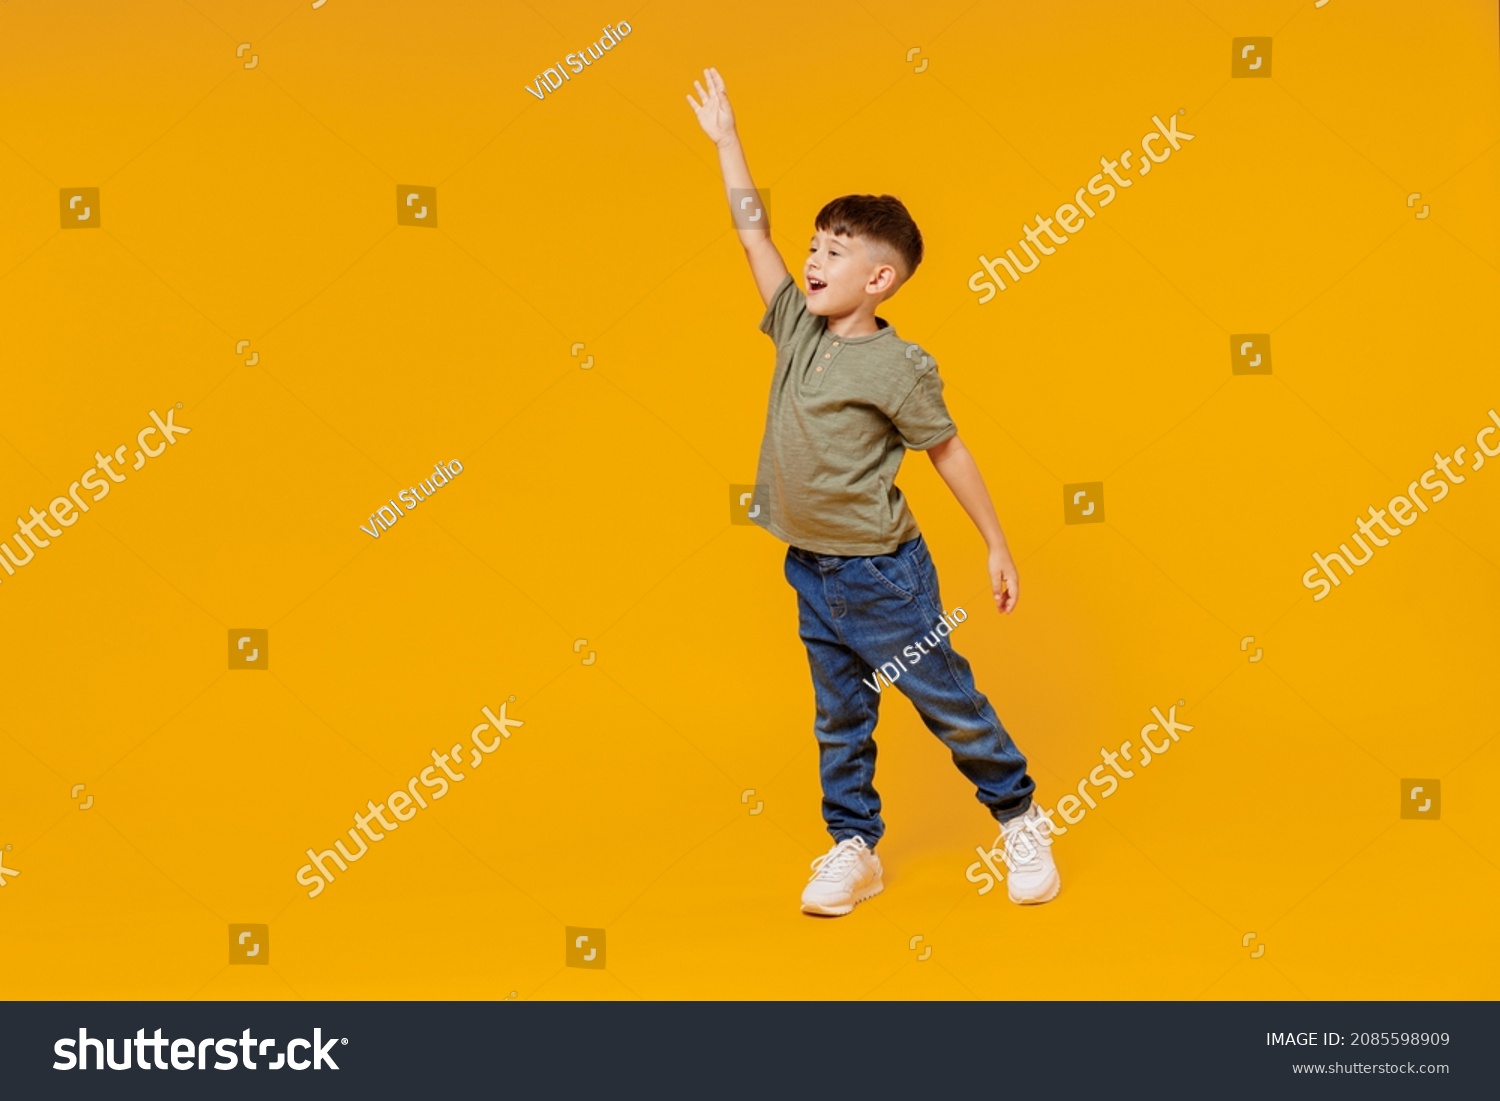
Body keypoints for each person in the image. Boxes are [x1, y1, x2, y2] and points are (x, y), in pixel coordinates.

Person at [686, 68, 1061, 915]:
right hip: (813, 569)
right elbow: (753, 236)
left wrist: (996, 542)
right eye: (814, 245)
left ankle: (1022, 816)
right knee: (838, 719)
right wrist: (727, 144)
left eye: (833, 250)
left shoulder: (898, 365)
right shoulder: (794, 324)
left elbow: (948, 452)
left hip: (882, 576)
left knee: (947, 702)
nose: (811, 260)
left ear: (880, 280)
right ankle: (854, 846)